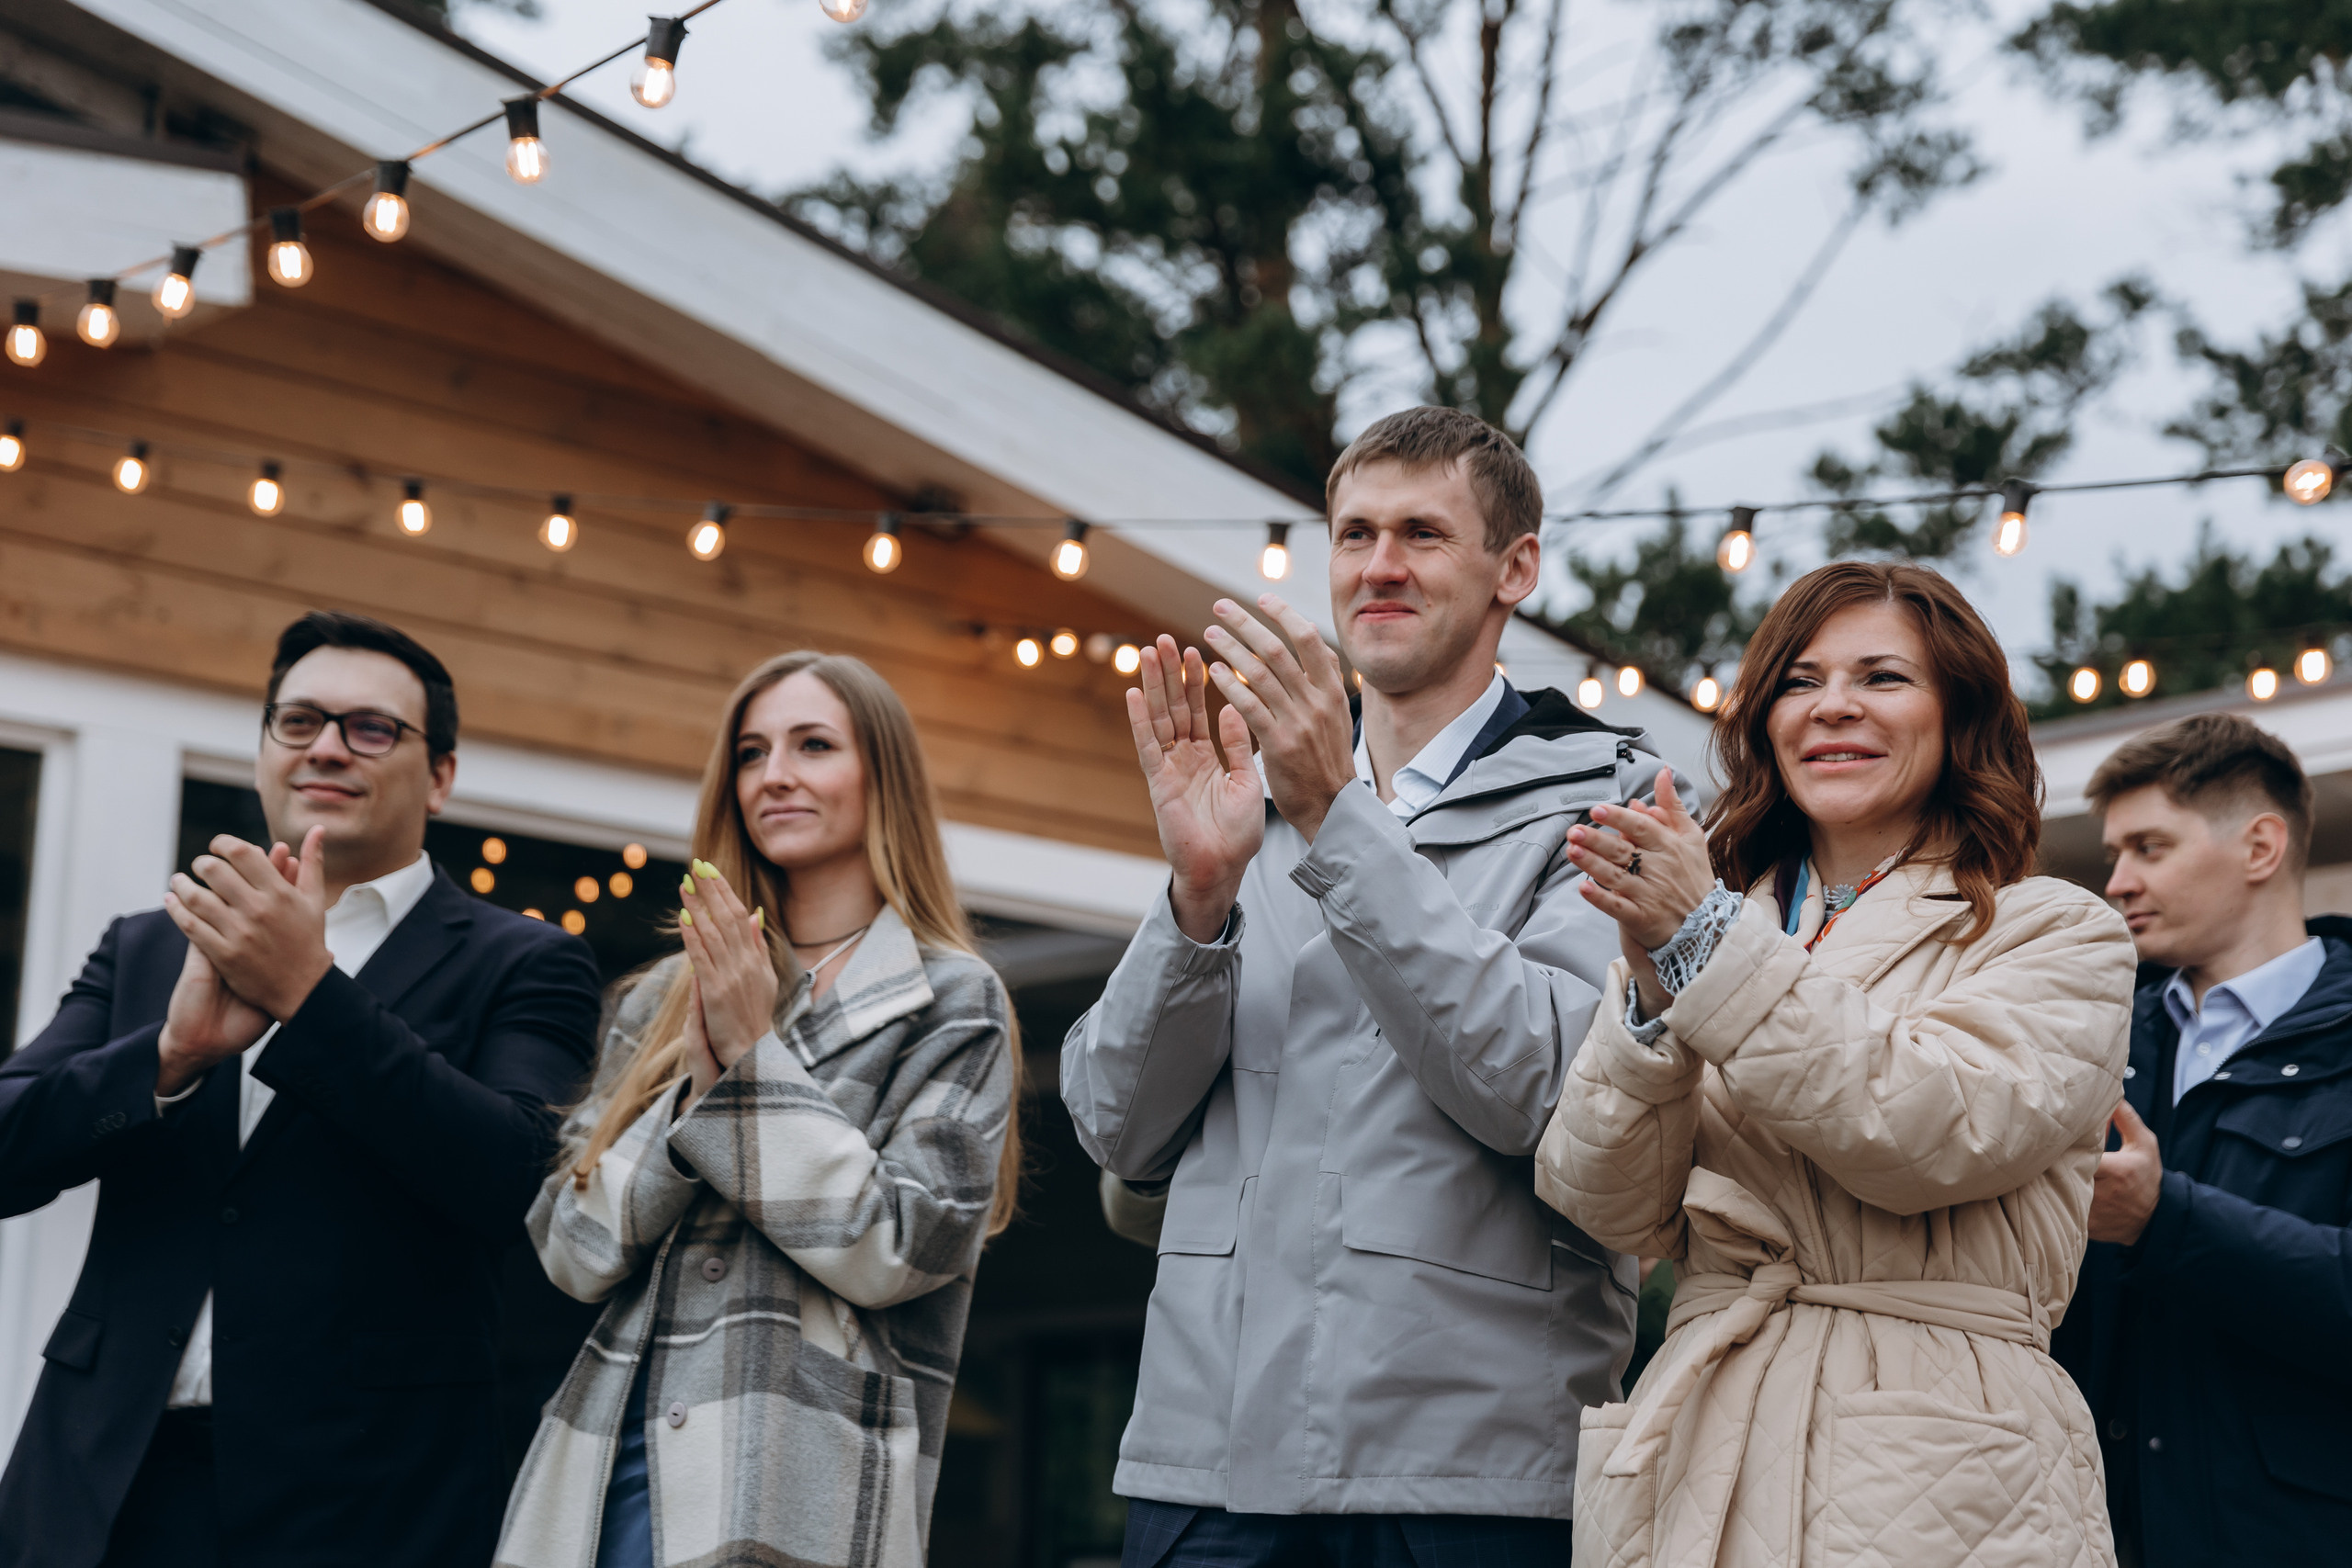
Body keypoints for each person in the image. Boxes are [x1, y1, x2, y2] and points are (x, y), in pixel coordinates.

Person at [1064, 406, 1667, 1566]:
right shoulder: (1244, 807)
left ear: (1516, 568)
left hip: (1464, 1482)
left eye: (1422, 534)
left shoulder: (1616, 799)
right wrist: (1196, 899)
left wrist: (1337, 820)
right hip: (1207, 1469)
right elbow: (1114, 1128)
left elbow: (1548, 1093)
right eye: (1354, 535)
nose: (1379, 565)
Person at [1535, 560, 2136, 1568]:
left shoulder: (2058, 932)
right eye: (1800, 681)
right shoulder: (1722, 923)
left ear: (1960, 717)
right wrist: (1649, 1002)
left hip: (1931, 1457)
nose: (1834, 708)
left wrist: (1708, 949)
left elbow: (1926, 1133)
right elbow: (1603, 1203)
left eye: (1883, 679)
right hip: (1700, 1444)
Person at [0, 612, 602, 1568]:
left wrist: (311, 999)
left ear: (439, 776)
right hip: (97, 1485)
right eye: (298, 721)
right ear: (264, 750)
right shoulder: (149, 943)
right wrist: (166, 1059)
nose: (326, 746)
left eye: (371, 728)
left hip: (360, 1507)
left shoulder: (527, 961)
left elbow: (514, 1182)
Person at [495, 651, 1019, 1568]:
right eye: (750, 752)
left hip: (797, 1472)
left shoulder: (953, 1000)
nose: (774, 774)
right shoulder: (663, 994)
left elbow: (900, 1244)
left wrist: (747, 1063)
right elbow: (568, 1247)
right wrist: (704, 1091)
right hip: (607, 1454)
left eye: (812, 745)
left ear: (879, 776)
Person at [2051, 713, 2352, 1565]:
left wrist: (2164, 1218)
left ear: (2260, 846)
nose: (2117, 881)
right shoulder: (2095, 1039)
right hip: (2095, 1536)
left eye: (2149, 847)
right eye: (2115, 853)